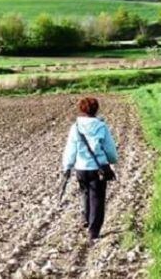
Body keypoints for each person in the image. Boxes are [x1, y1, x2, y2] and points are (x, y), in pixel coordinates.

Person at [61, 96, 118, 241]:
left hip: (80, 168)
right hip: (97, 169)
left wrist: (67, 167)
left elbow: (70, 149)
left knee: (85, 193)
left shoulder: (75, 127)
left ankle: (86, 218)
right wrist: (112, 161)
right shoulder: (101, 127)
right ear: (96, 109)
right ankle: (94, 232)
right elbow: (110, 150)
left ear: (81, 109)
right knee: (97, 199)